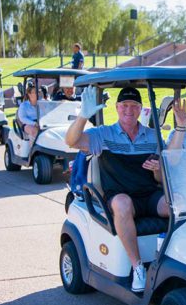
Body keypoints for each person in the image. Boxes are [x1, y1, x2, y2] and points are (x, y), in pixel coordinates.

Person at [65, 86, 165, 293]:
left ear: (140, 109)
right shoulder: (103, 134)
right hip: (119, 196)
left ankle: (177, 259)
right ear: (117, 108)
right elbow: (71, 141)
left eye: (134, 106)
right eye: (124, 105)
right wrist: (83, 115)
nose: (129, 110)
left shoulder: (153, 136)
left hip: (149, 195)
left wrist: (158, 169)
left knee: (177, 203)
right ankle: (138, 267)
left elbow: (160, 179)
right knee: (122, 204)